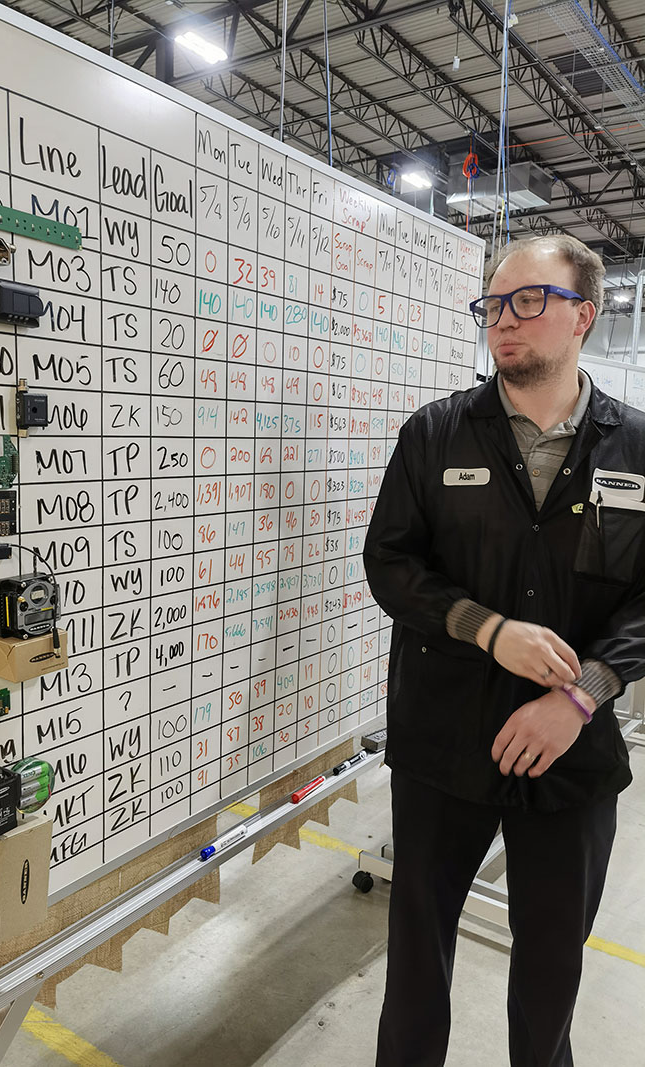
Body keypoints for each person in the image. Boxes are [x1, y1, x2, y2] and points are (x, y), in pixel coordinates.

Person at [363, 234, 645, 1067]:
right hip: (442, 742)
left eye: (528, 300)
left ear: (584, 316)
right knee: (416, 963)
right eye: (492, 304)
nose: (502, 320)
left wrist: (582, 691)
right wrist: (487, 628)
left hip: (571, 750)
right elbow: (390, 564)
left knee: (552, 969)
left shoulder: (636, 448)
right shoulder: (436, 433)